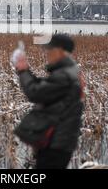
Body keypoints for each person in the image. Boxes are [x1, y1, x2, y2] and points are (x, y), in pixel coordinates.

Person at [12, 34, 85, 169]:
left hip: (56, 145)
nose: (46, 54)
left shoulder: (65, 76)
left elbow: (35, 93)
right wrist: (26, 71)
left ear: (59, 51)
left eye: (49, 50)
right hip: (59, 143)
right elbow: (44, 88)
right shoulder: (68, 72)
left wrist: (23, 70)